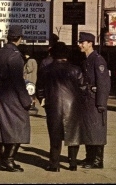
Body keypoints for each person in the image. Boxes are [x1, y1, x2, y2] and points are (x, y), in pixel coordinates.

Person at [0, 25, 33, 172]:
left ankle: (3, 160)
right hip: (13, 94)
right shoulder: (15, 55)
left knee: (3, 128)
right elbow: (18, 81)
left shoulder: (1, 52)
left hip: (1, 92)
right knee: (19, 126)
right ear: (20, 38)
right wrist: (26, 100)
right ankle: (9, 160)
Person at [36, 42, 84, 172]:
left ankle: (54, 164)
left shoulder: (46, 70)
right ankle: (72, 164)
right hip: (73, 106)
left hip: (53, 105)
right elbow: (82, 88)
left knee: (55, 136)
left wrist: (43, 100)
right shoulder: (76, 69)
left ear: (53, 54)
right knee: (73, 135)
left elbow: (39, 88)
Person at [77, 32, 110, 169]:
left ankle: (97, 160)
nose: (79, 45)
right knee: (88, 130)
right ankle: (89, 157)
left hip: (95, 101)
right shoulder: (86, 60)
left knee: (97, 130)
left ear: (90, 43)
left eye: (82, 42)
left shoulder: (98, 60)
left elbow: (103, 83)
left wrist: (101, 103)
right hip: (87, 100)